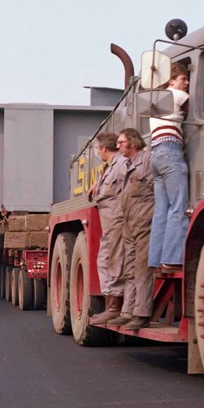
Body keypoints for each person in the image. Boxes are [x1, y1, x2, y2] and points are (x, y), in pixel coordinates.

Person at [107, 128, 155, 330]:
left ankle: (141, 313)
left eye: (121, 142)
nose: (117, 146)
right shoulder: (125, 165)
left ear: (133, 143)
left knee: (142, 268)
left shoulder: (147, 161)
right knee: (129, 268)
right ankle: (127, 311)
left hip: (144, 220)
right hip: (129, 221)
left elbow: (158, 190)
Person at [148, 61, 190, 271]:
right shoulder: (176, 94)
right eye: (183, 78)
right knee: (179, 206)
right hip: (171, 150)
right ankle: (172, 259)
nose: (187, 82)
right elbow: (200, 106)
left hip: (156, 154)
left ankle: (156, 260)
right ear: (171, 80)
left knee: (161, 210)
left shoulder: (158, 100)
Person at [87, 132, 127, 324]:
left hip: (117, 222)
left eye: (98, 149)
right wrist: (98, 185)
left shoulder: (120, 165)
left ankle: (114, 308)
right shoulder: (112, 167)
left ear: (103, 149)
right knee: (106, 261)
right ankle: (112, 306)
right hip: (110, 223)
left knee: (113, 262)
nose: (97, 152)